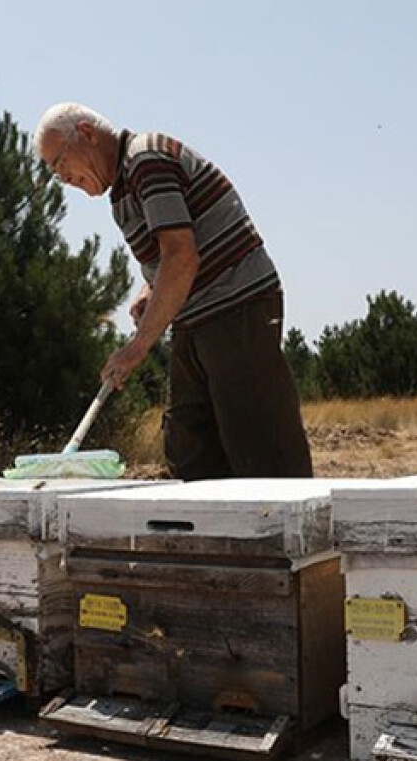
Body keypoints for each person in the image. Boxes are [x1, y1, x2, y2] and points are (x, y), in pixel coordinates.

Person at [33, 103, 313, 481]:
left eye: (60, 161)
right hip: (195, 316)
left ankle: (285, 533)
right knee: (189, 447)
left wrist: (136, 348)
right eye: (52, 171)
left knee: (258, 444)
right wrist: (151, 289)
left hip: (235, 305)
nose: (61, 178)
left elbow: (181, 256)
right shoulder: (121, 194)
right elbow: (175, 250)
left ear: (86, 132)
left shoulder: (146, 159)